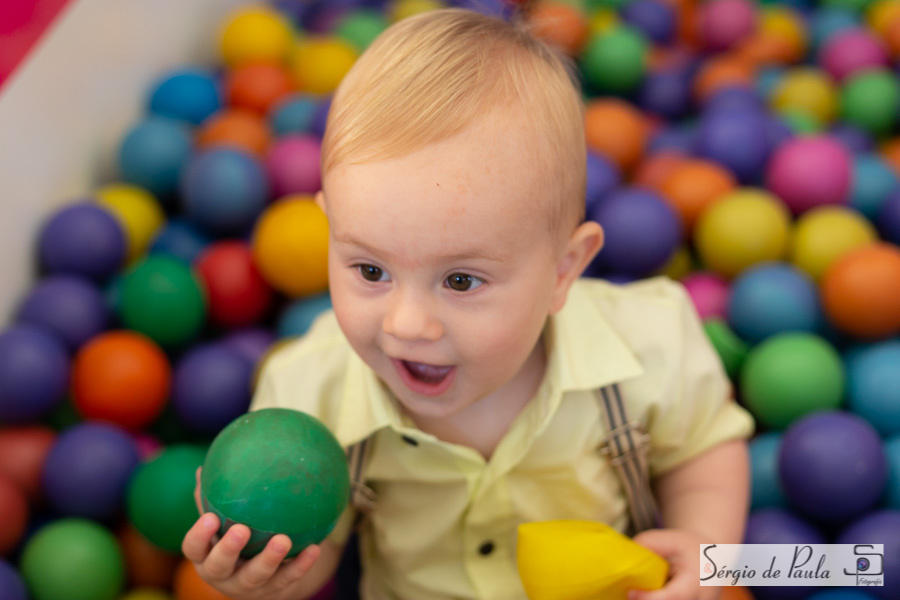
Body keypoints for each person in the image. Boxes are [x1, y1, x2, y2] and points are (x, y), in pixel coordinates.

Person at [182, 8, 755, 600]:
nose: (407, 325)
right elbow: (314, 551)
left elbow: (703, 449)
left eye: (460, 282)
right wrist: (264, 577)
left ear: (563, 271)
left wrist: (705, 550)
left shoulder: (649, 346)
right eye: (371, 270)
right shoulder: (310, 396)